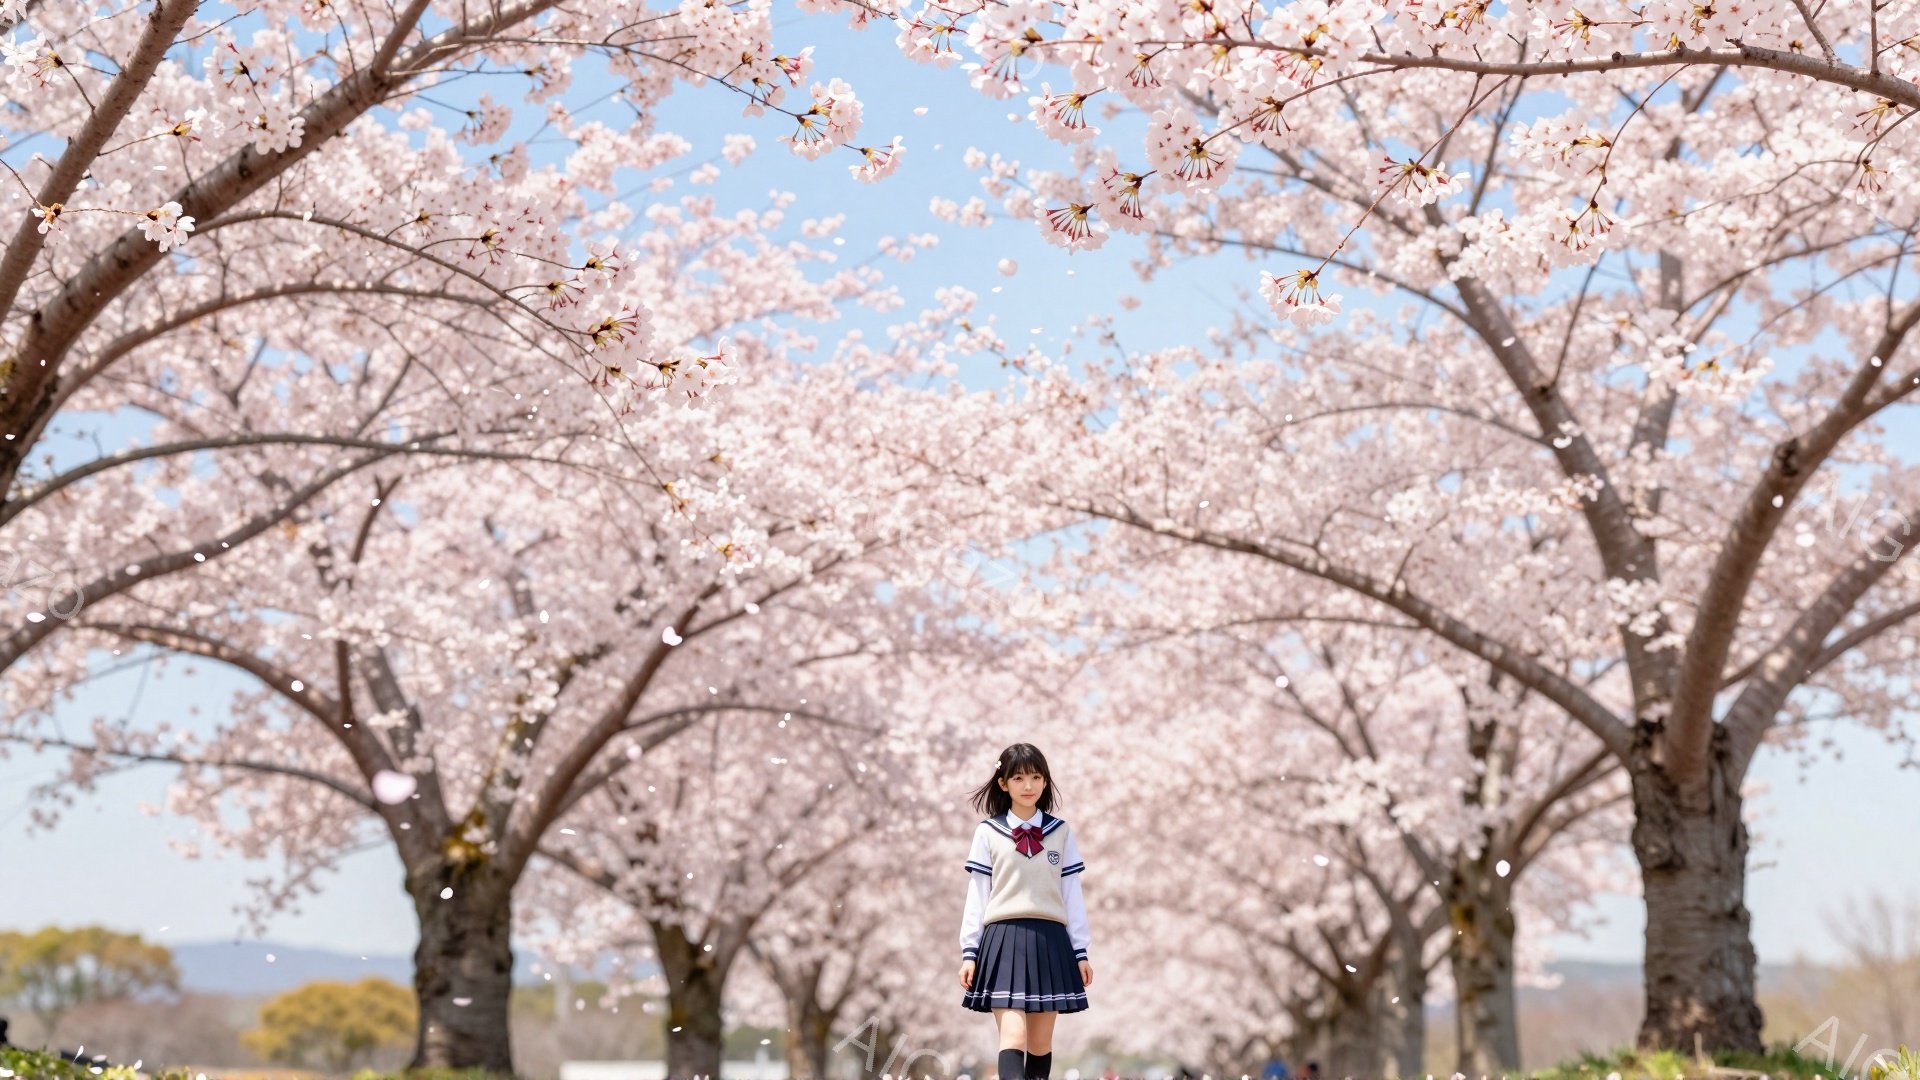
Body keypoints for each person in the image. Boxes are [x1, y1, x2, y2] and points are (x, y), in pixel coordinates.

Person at [957, 743, 1093, 1080]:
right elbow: (978, 894)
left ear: (1045, 781)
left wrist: (1081, 951)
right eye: (1018, 778)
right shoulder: (987, 833)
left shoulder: (1060, 833)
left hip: (1051, 941)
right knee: (1013, 1037)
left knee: (1040, 1044)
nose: (1028, 785)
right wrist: (969, 951)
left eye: (1036, 777)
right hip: (1003, 940)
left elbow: (1071, 894)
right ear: (1003, 783)